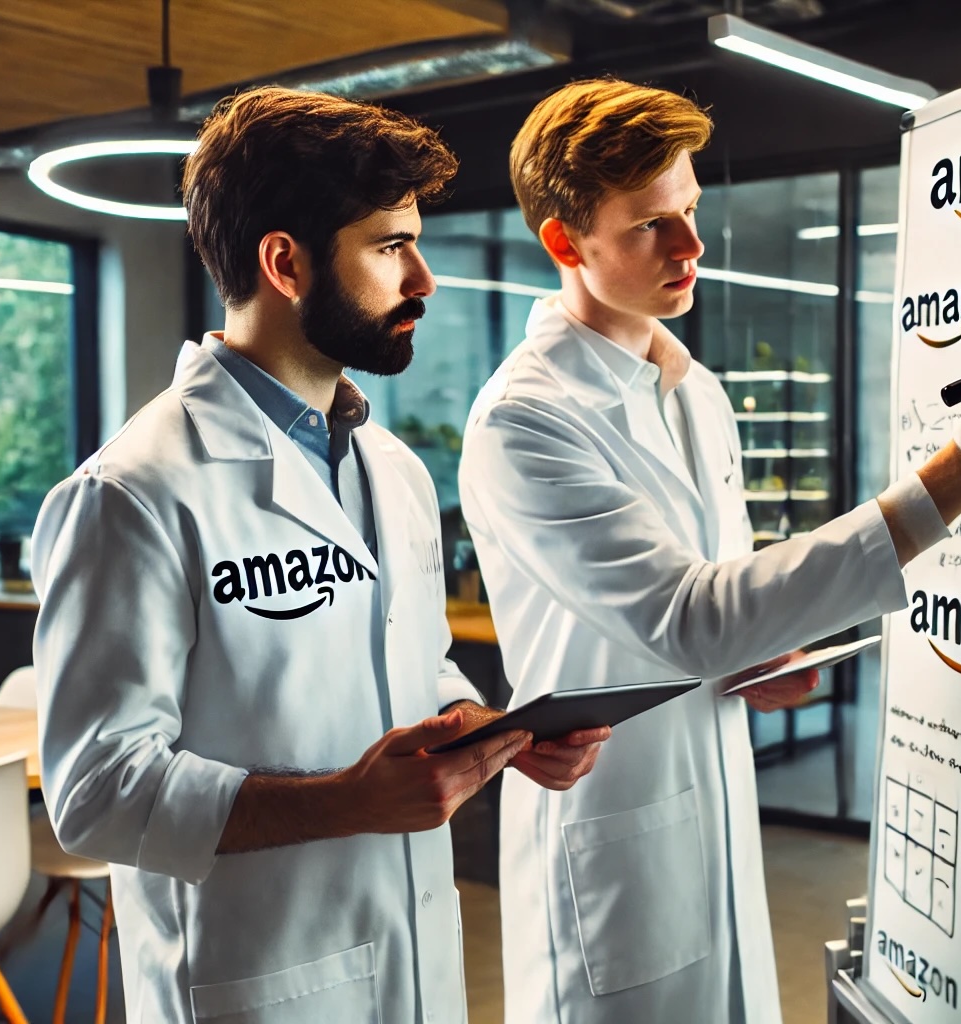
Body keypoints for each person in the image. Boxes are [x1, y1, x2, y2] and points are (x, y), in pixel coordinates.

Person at [458, 78, 961, 1024]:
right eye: (649, 227)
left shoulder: (694, 388)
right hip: (612, 835)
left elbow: (729, 608)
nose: (691, 246)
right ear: (564, 242)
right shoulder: (525, 419)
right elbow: (689, 619)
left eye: (692, 211)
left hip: (712, 801)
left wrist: (766, 655)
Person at [31, 86, 609, 1024]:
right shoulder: (134, 494)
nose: (423, 279)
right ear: (286, 263)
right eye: (390, 247)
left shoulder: (393, 469)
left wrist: (488, 731)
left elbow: (406, 666)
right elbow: (97, 793)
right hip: (256, 981)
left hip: (411, 956)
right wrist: (349, 801)